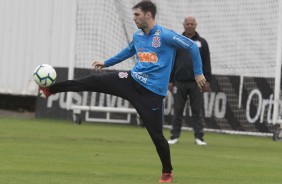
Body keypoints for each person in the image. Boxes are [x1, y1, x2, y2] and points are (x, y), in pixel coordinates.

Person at [39, 2, 206, 183]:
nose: (133, 18)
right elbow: (128, 51)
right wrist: (107, 63)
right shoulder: (138, 35)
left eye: (136, 15)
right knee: (93, 80)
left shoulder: (165, 35)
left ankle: (167, 172)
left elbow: (191, 46)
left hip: (152, 95)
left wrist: (198, 74)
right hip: (131, 80)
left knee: (157, 137)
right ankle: (50, 90)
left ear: (148, 15)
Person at [167, 16, 212, 146]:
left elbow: (206, 62)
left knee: (197, 110)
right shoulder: (176, 41)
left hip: (196, 83)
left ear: (196, 25)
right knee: (177, 111)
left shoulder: (202, 43)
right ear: (184, 25)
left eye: (192, 24)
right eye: (188, 23)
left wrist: (207, 80)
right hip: (179, 82)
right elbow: (171, 62)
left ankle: (199, 137)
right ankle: (174, 136)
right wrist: (170, 80)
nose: (190, 26)